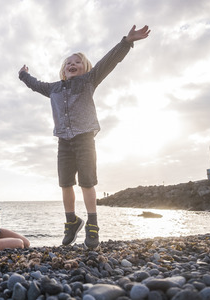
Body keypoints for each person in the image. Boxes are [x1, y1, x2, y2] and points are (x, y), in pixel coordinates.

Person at [18, 25, 150, 249]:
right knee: (65, 183)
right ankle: (71, 221)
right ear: (63, 70)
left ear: (84, 68)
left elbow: (109, 62)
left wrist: (126, 42)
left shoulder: (89, 80)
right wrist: (23, 75)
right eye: (68, 62)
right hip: (63, 141)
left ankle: (92, 224)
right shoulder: (54, 89)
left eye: (77, 62)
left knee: (87, 183)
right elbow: (35, 85)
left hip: (85, 139)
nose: (72, 64)